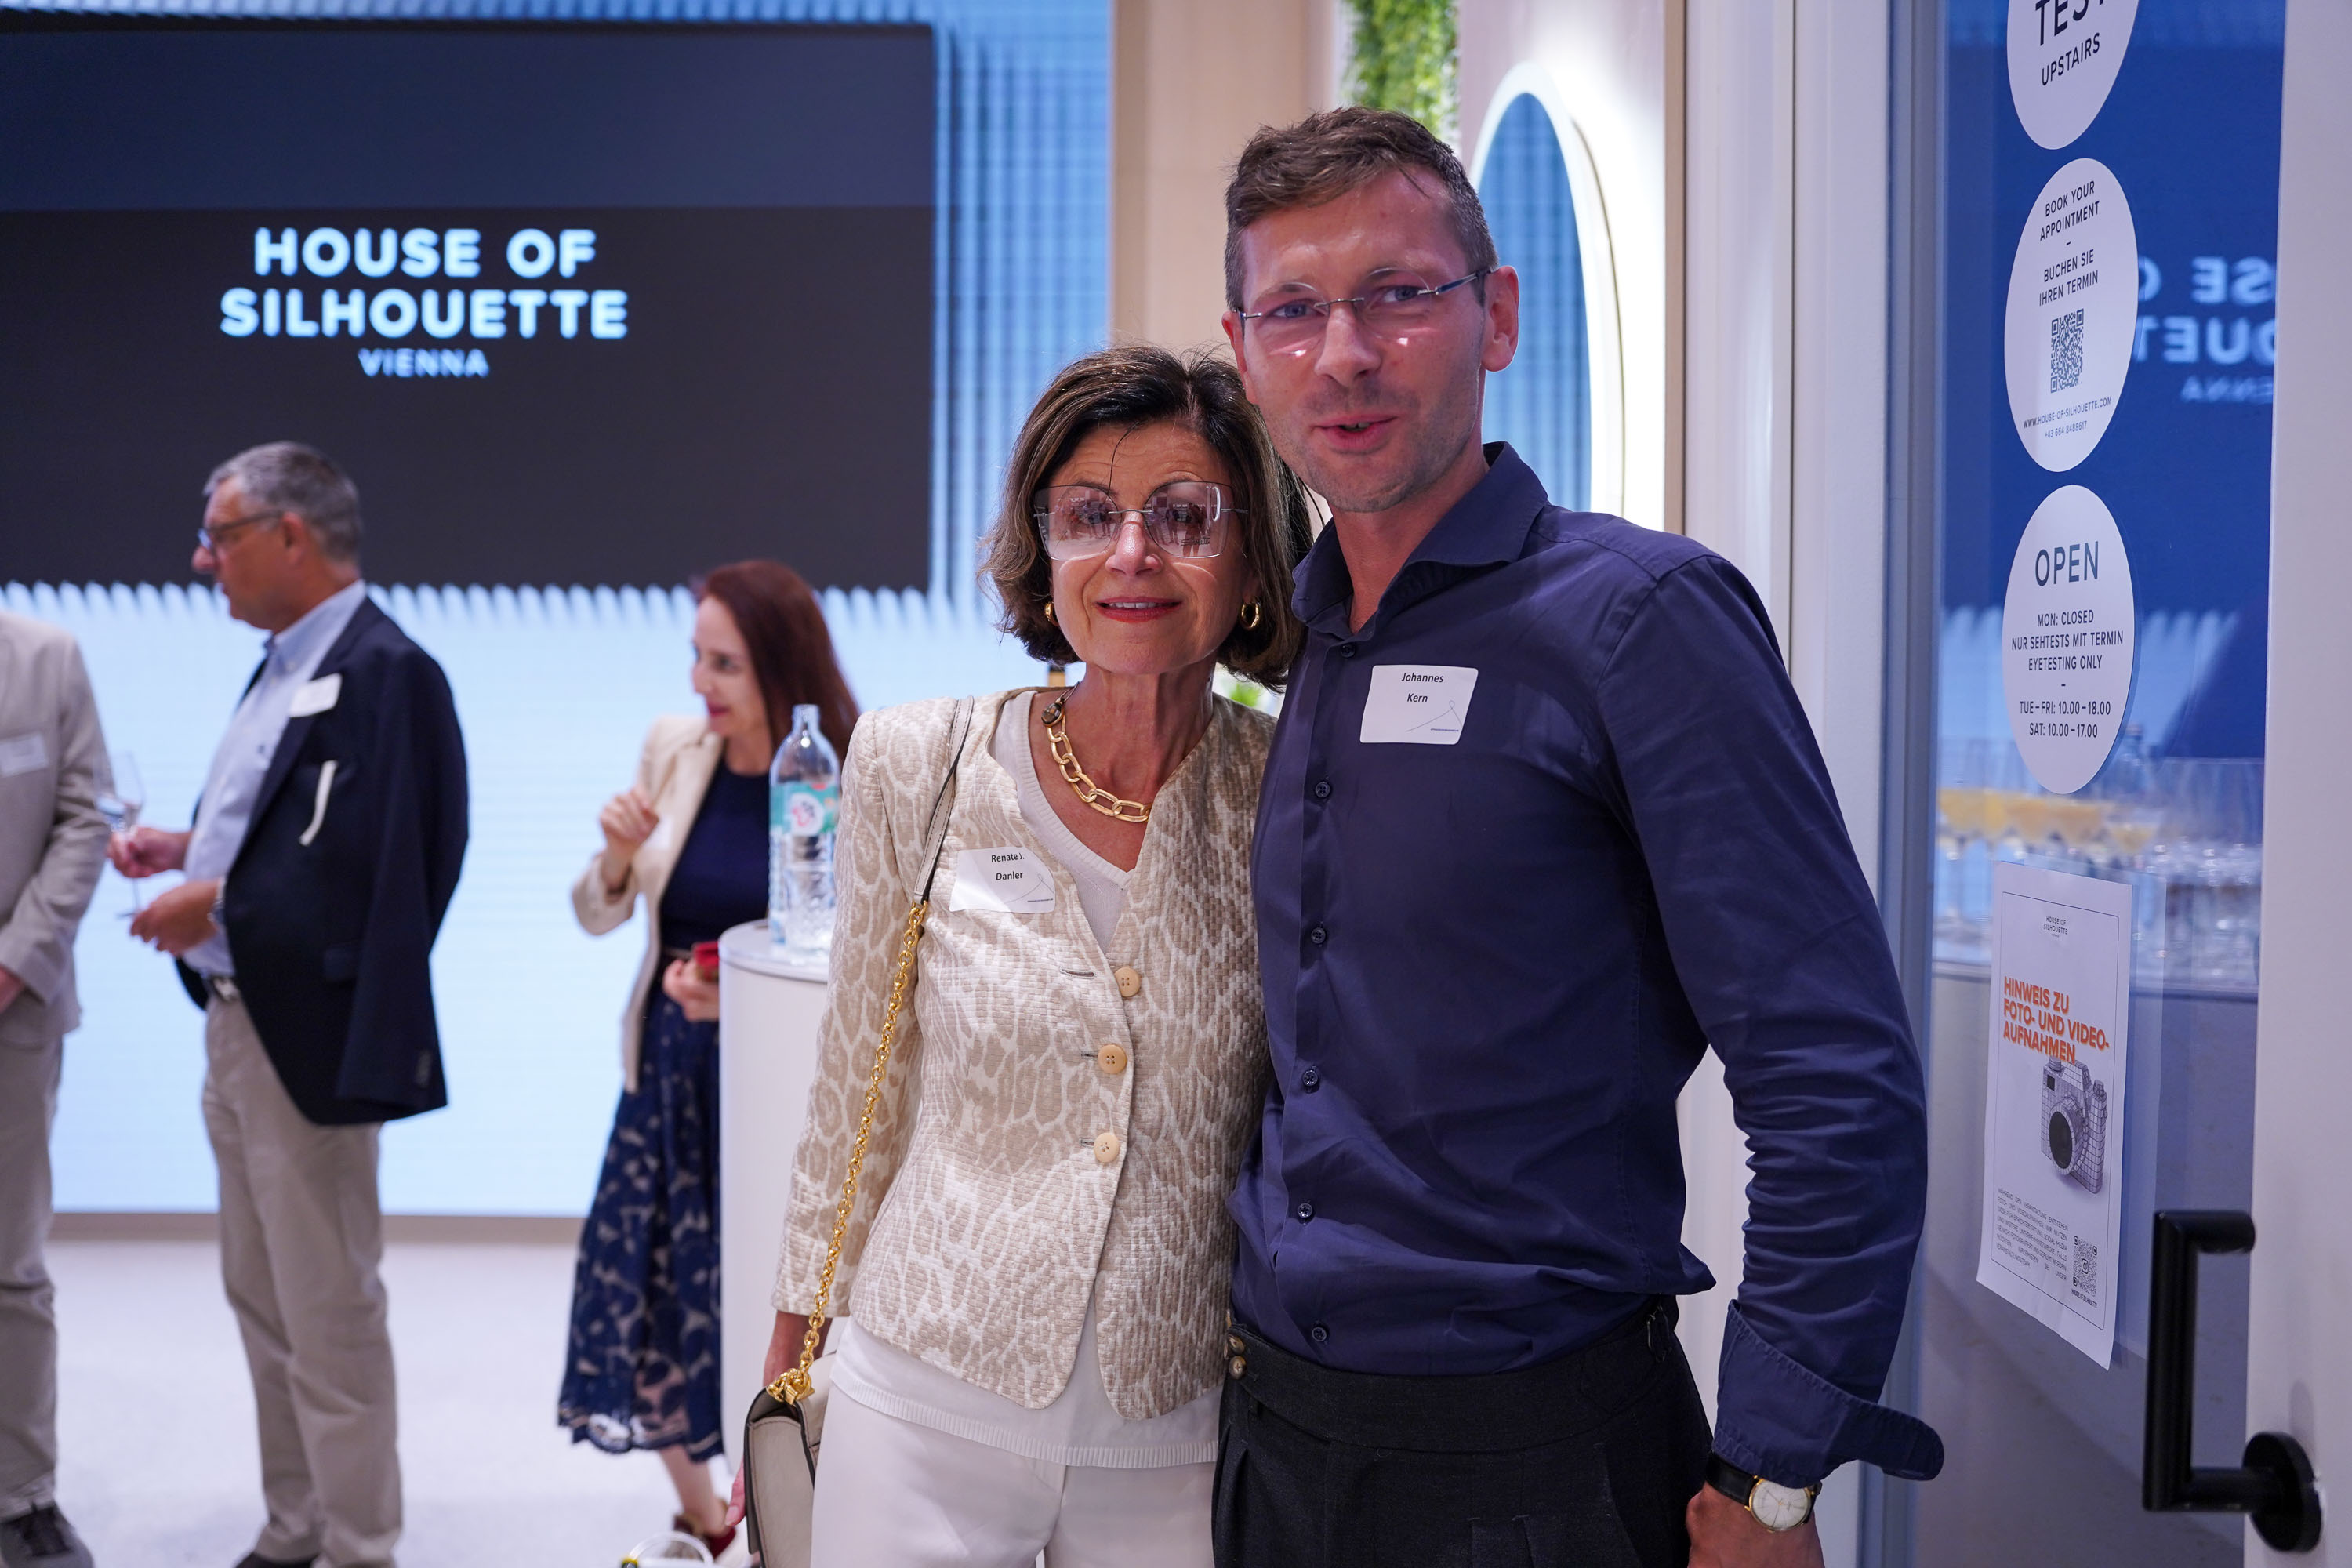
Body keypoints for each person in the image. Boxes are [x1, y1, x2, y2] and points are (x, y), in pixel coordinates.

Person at [1212, 108, 1942, 1568]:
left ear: (1496, 317)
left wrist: (1775, 1477)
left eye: (1398, 293)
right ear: (1246, 353)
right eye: (1294, 310)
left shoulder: (1638, 620)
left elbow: (1833, 1078)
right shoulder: (1316, 641)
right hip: (1280, 1446)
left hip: (1531, 1473)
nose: (1344, 354)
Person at [749, 345, 1310, 1567]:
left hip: (1176, 1426)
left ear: (1253, 560)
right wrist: (789, 1358)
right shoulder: (920, 762)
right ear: (1042, 549)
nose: (1132, 553)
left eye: (1184, 517)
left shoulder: (1294, 793)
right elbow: (856, 1092)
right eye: (1090, 516)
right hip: (922, 1399)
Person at [113, 442, 468, 1568]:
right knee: (263, 1299)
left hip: (307, 1036)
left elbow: (397, 870)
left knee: (328, 1313)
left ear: (290, 536)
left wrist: (219, 897)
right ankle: (297, 1522)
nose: (201, 558)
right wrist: (191, 850)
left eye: (219, 536)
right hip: (234, 1018)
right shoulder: (281, 666)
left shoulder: (388, 671)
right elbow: (298, 835)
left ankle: (360, 1544)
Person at [560, 561, 857, 1553]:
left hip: (779, 1078)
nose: (701, 681)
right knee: (644, 1296)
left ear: (781, 662)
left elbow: (865, 956)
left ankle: (782, 1512)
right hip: (670, 1074)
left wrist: (746, 995)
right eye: (696, 656)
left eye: (724, 662)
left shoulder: (847, 764)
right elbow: (598, 911)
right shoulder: (674, 749)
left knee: (768, 1301)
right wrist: (614, 856)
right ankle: (702, 1516)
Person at [0, 615, 111, 1568]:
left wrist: (14, 961)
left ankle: (21, 1494)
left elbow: (84, 817)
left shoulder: (46, 657)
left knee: (10, 1265)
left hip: (11, 1011)